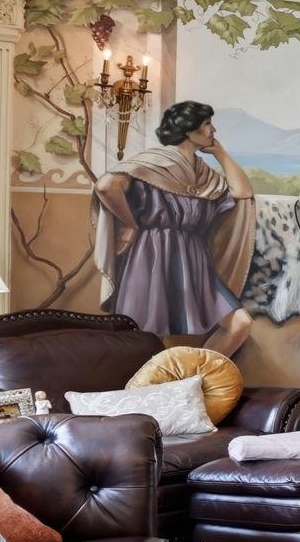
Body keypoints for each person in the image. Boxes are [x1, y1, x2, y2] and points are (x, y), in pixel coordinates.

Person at [91, 99, 254, 356]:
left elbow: (243, 192)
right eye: (207, 124)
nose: (213, 130)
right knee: (144, 336)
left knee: (241, 323)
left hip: (194, 259)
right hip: (152, 254)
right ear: (189, 129)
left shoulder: (203, 173)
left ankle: (196, 376)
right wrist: (131, 224)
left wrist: (221, 154)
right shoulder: (152, 161)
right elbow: (105, 186)